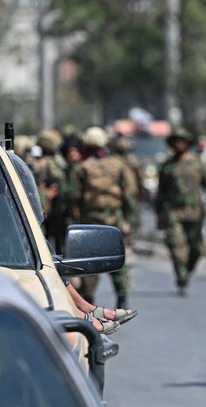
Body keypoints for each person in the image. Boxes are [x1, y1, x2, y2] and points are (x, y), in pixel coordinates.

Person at [72, 126, 137, 310]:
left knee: (91, 264)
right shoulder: (117, 165)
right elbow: (129, 196)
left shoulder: (83, 168)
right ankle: (122, 297)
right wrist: (130, 221)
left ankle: (89, 301)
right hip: (114, 220)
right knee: (117, 261)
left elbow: (75, 197)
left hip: (90, 222)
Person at [155, 127, 206, 295]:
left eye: (182, 141)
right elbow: (161, 193)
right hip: (173, 213)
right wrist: (159, 214)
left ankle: (187, 271)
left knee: (196, 249)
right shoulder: (167, 166)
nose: (179, 144)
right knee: (177, 248)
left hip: (195, 213)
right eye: (176, 141)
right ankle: (181, 276)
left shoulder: (198, 163)